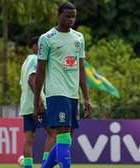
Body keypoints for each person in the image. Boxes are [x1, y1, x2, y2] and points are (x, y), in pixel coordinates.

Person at [34, 2, 92, 168]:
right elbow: (40, 72)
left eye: (73, 16)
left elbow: (81, 69)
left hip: (73, 95)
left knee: (66, 140)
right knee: (64, 137)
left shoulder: (79, 38)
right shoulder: (46, 39)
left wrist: (86, 98)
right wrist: (36, 100)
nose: (71, 20)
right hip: (56, 94)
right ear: (58, 15)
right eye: (67, 16)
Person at [19, 36, 56, 168]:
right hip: (37, 104)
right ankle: (46, 165)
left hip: (25, 105)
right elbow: (31, 80)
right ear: (35, 46)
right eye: (42, 46)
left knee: (29, 139)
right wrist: (39, 101)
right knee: (54, 133)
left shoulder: (25, 62)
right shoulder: (35, 59)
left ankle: (28, 166)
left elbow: (23, 82)